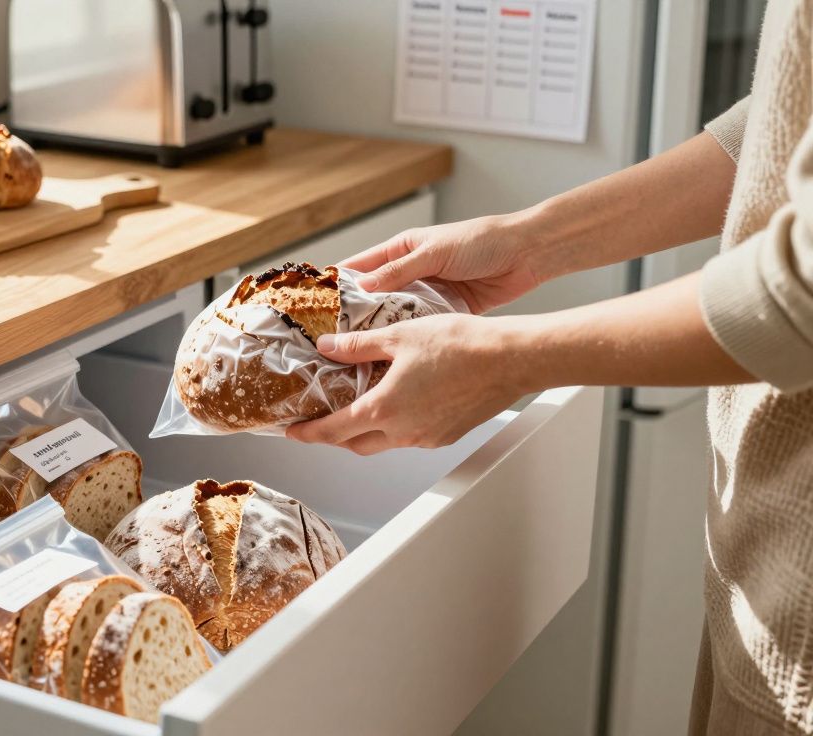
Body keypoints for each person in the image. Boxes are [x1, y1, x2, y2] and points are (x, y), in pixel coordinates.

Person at [288, 2, 813, 733]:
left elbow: (800, 286)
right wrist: (530, 241)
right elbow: (783, 122)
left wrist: (506, 361)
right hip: (760, 553)